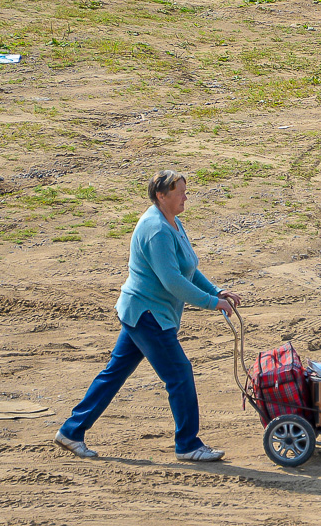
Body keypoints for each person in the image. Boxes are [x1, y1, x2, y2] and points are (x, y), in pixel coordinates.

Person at [55, 170, 241, 462]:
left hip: (143, 313)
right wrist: (211, 303)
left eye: (184, 190)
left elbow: (188, 268)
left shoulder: (173, 222)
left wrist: (217, 291)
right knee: (180, 374)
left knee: (114, 375)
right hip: (148, 316)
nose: (185, 196)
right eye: (179, 192)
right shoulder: (156, 229)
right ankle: (188, 444)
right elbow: (173, 282)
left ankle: (71, 431)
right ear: (161, 196)